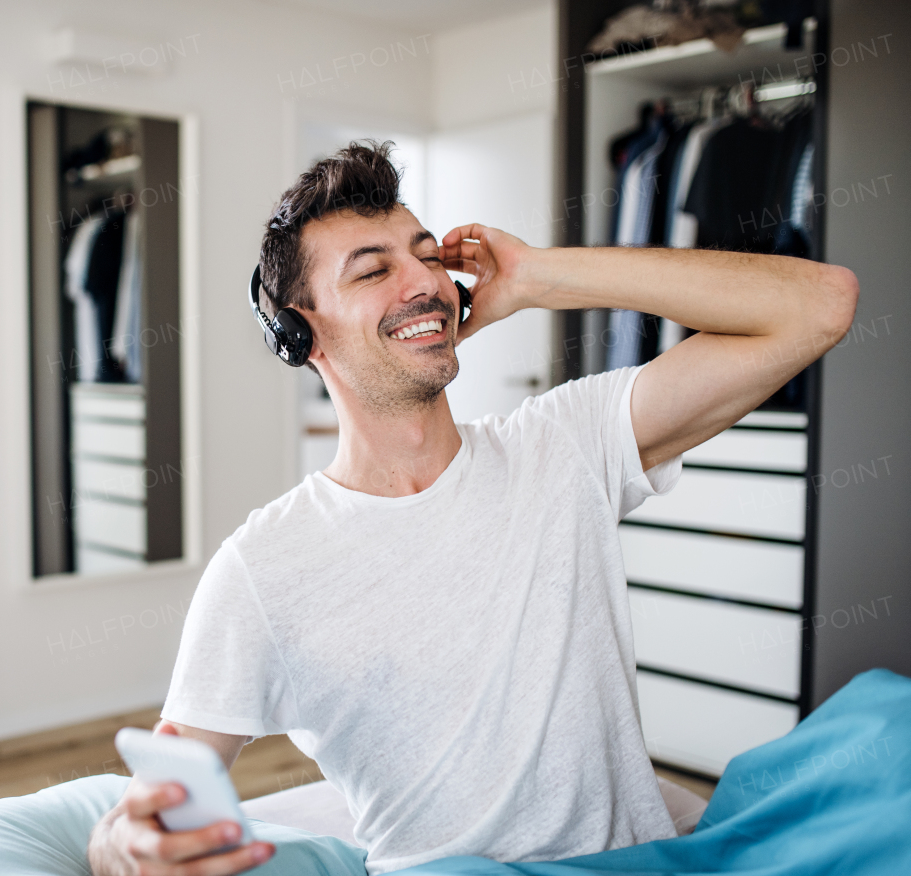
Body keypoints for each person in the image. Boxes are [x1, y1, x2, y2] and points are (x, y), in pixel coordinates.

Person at [86, 140, 857, 876]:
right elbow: (157, 798)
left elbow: (821, 305)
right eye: (372, 271)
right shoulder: (263, 567)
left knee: (882, 730)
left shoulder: (566, 443)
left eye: (427, 255)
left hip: (639, 862)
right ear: (301, 333)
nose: (421, 283)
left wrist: (538, 277)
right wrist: (126, 847)